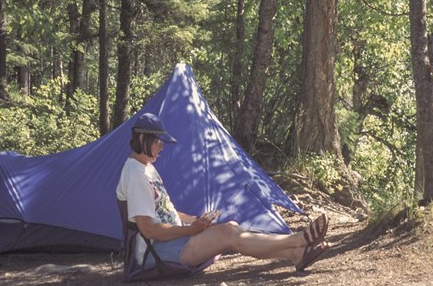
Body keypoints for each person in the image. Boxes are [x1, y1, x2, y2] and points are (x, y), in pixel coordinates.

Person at [116, 112, 330, 273]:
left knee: (231, 227)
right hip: (154, 255)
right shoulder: (136, 175)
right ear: (144, 140)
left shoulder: (146, 168)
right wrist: (191, 231)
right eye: (158, 142)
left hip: (171, 242)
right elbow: (149, 229)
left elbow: (166, 210)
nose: (162, 147)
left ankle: (296, 255)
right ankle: (298, 240)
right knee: (228, 234)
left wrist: (197, 221)